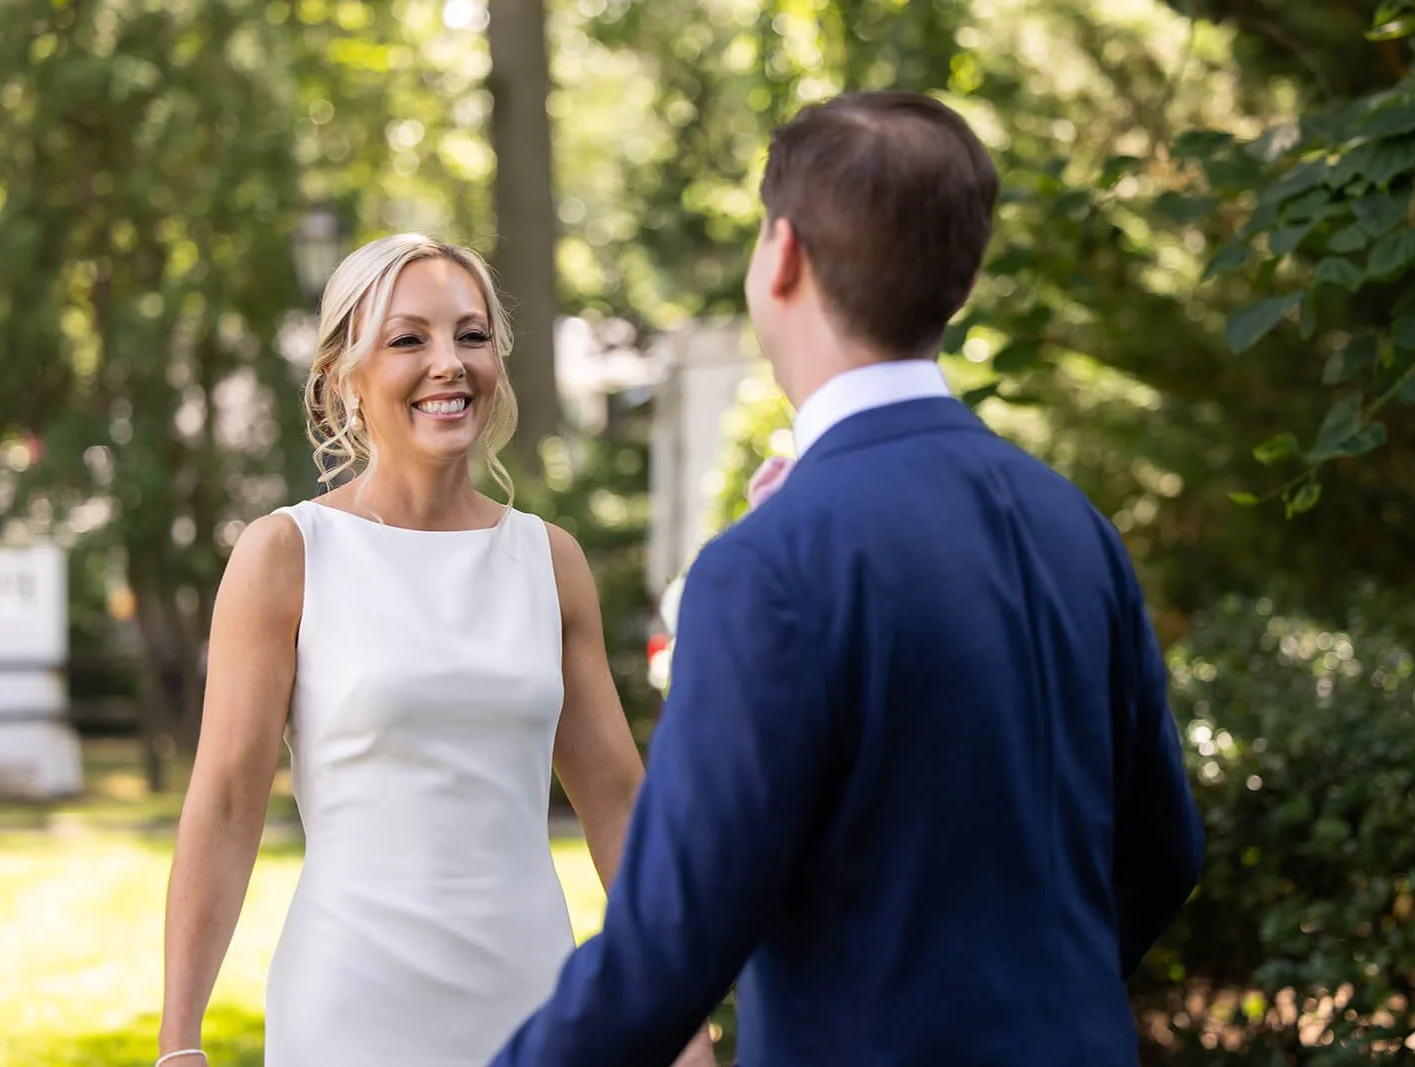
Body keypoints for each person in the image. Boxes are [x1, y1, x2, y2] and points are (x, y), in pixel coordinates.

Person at [488, 91, 1205, 1067]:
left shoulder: (766, 564)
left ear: (780, 255)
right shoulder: (1073, 525)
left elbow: (667, 945)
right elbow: (1165, 848)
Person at [157, 234, 712, 1067]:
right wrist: (178, 1042)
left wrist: (684, 1017)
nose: (449, 363)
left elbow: (619, 806)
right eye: (408, 338)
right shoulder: (286, 555)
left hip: (534, 997)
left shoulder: (549, 560)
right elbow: (228, 804)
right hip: (350, 1005)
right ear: (343, 373)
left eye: (472, 335)